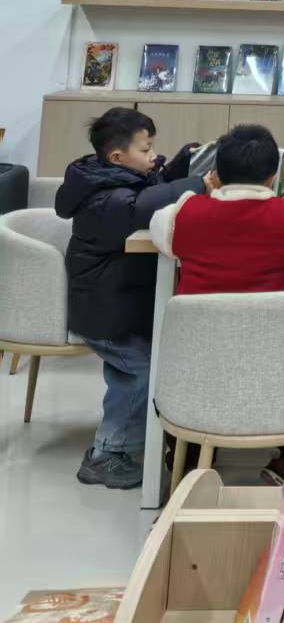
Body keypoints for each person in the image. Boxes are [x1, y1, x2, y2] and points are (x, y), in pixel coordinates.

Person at [54, 107, 204, 489]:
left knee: (131, 370)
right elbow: (140, 207)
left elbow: (152, 186)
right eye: (146, 149)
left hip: (113, 305)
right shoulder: (107, 199)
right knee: (141, 369)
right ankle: (106, 454)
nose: (153, 155)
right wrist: (198, 183)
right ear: (117, 156)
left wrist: (180, 164)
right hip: (104, 311)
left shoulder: (112, 175)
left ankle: (121, 441)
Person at [150, 124, 284, 295]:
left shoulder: (185, 214)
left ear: (217, 175)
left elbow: (156, 222)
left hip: (195, 328)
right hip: (265, 327)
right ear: (273, 178)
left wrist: (207, 194)